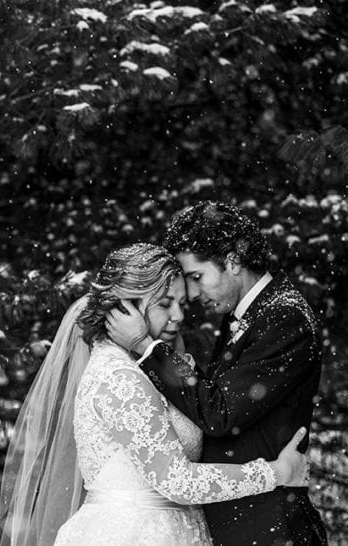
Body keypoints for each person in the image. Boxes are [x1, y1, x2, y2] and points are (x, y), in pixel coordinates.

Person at [0, 243, 309, 545]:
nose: (178, 316)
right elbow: (178, 481)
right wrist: (275, 472)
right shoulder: (118, 377)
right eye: (164, 304)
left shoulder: (146, 366)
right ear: (124, 307)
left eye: (180, 304)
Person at [106, 202, 327, 545]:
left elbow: (220, 413)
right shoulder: (247, 315)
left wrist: (146, 347)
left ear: (233, 261)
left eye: (196, 277)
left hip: (268, 526)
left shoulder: (285, 317)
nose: (192, 295)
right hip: (248, 521)